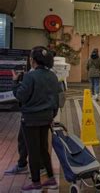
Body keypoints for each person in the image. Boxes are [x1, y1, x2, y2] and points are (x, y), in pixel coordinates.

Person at [12, 46, 60, 192]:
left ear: (33, 60)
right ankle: (51, 179)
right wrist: (51, 116)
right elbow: (56, 100)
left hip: (31, 119)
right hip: (46, 118)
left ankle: (36, 183)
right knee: (44, 149)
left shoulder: (30, 76)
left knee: (33, 151)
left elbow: (21, 96)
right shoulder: (53, 76)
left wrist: (15, 82)